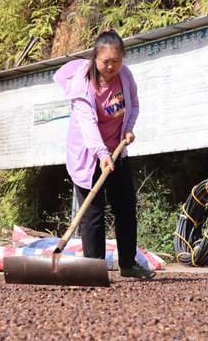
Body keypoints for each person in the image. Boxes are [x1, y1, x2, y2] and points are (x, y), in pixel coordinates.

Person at [53, 28, 155, 280]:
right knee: (93, 213)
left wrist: (129, 127)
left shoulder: (125, 75)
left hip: (117, 152)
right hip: (89, 156)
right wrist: (101, 153)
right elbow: (87, 123)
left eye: (116, 61)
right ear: (94, 59)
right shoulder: (82, 84)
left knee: (126, 207)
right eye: (105, 61)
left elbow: (134, 103)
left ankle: (129, 265)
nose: (111, 66)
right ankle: (94, 270)